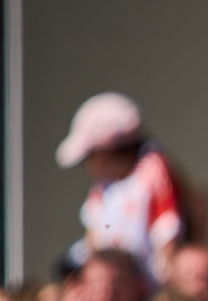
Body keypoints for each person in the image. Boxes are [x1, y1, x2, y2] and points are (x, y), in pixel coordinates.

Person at [55, 92, 190, 282]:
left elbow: (168, 239)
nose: (89, 167)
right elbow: (93, 237)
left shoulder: (154, 170)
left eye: (91, 157)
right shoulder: (102, 185)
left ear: (107, 153)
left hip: (148, 292)